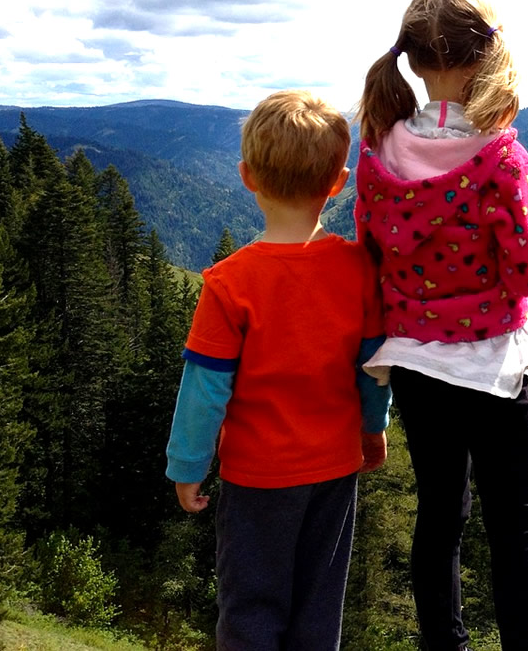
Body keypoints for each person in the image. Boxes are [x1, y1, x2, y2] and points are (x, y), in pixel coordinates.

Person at [355, 0, 528, 651]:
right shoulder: (500, 156)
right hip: (493, 367)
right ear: (482, 58)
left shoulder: (380, 153)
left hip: (415, 364)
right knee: (515, 526)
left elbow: (369, 254)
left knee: (440, 518)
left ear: (414, 63)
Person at [165, 89, 390, 651]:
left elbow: (205, 388)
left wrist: (187, 466)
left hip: (257, 477)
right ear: (338, 182)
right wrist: (374, 428)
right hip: (335, 469)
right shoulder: (357, 269)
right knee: (318, 611)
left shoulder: (228, 284)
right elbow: (373, 367)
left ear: (246, 176)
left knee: (251, 611)